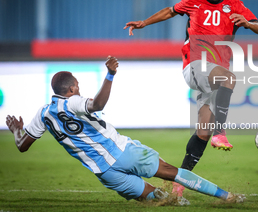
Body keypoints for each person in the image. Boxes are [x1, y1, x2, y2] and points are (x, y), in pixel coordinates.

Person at [6, 56, 245, 205]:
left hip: (105, 173)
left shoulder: (42, 113)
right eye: (77, 85)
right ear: (72, 87)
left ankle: (182, 204)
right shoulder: (74, 101)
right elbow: (97, 104)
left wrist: (17, 131)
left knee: (162, 201)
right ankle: (227, 197)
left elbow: (22, 145)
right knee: (173, 173)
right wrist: (110, 75)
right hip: (124, 152)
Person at [124, 0, 258, 195]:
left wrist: (248, 24)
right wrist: (143, 23)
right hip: (195, 67)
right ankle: (221, 131)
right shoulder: (193, 0)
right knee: (229, 78)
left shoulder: (235, 5)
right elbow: (170, 11)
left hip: (214, 76)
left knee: (202, 132)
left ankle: (178, 185)